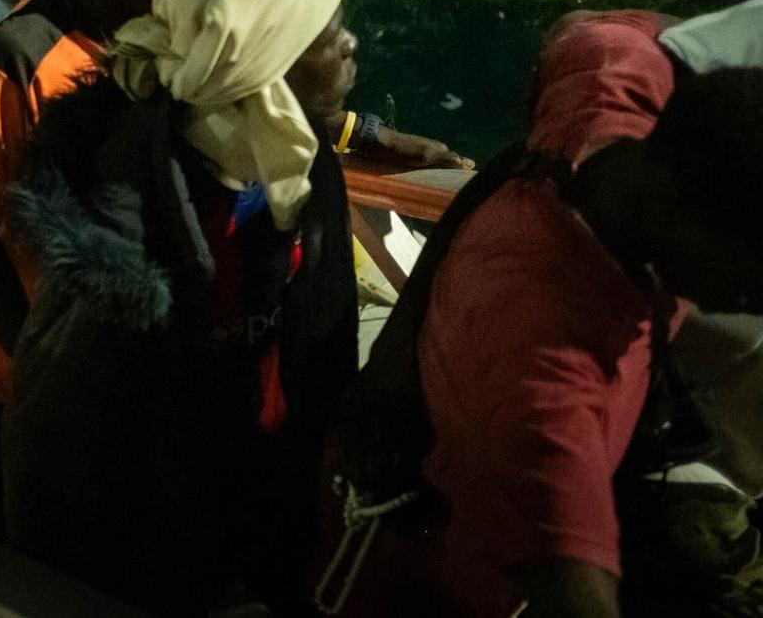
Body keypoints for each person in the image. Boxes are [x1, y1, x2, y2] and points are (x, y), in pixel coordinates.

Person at [0, 0, 463, 541]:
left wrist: (359, 133)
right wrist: (39, 356)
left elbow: (250, 102)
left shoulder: (190, 51)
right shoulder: (24, 63)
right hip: (28, 383)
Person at [1, 0, 362, 615]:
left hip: (246, 495)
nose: (350, 44)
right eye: (324, 29)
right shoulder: (127, 191)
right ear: (255, 50)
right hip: (138, 538)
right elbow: (87, 433)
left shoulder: (293, 159)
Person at [322, 66, 763, 618]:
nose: (750, 302)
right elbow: (572, 588)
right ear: (681, 209)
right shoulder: (544, 368)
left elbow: (521, 157)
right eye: (750, 279)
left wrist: (398, 339)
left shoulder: (608, 81)